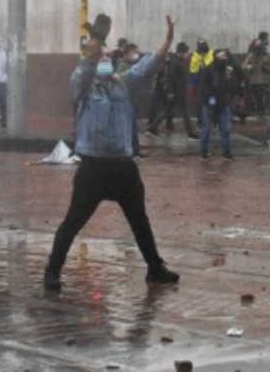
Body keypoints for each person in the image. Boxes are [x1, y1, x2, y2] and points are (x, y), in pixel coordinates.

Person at [44, 14, 179, 291]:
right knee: (72, 222)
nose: (103, 63)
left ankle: (155, 268)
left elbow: (150, 65)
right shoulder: (81, 87)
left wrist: (168, 39)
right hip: (93, 169)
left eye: (106, 60)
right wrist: (95, 43)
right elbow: (83, 70)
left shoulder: (124, 84)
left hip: (123, 168)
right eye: (99, 60)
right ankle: (52, 270)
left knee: (139, 220)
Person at [197, 49, 244, 160]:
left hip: (222, 103)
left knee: (225, 128)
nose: (224, 59)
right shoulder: (208, 70)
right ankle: (204, 152)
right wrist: (210, 97)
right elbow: (203, 87)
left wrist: (231, 81)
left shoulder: (227, 71)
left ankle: (226, 152)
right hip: (209, 103)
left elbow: (233, 85)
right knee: (206, 128)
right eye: (221, 57)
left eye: (225, 57)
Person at [145, 42, 198, 139]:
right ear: (182, 52)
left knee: (166, 111)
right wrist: (170, 91)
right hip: (178, 92)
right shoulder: (175, 62)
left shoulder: (176, 61)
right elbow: (169, 78)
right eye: (187, 52)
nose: (188, 54)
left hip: (177, 91)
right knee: (185, 112)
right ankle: (190, 134)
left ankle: (151, 128)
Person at [242, 35, 270, 120]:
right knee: (256, 97)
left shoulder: (267, 56)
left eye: (260, 44)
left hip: (264, 80)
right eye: (257, 44)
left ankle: (261, 112)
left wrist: (264, 66)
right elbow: (244, 65)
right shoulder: (251, 55)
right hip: (253, 80)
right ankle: (259, 112)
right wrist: (249, 66)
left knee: (261, 96)